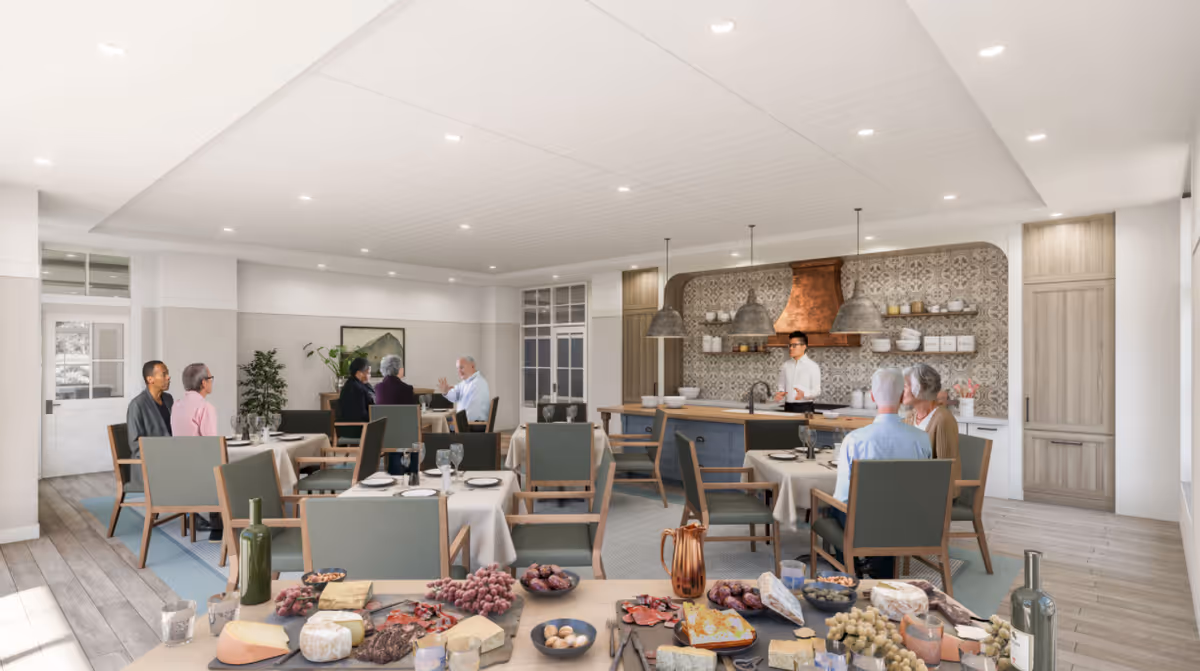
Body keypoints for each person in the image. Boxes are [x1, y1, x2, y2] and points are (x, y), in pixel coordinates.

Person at [829, 367, 932, 578]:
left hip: (865, 526)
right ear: (903, 396)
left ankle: (850, 568)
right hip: (908, 524)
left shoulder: (855, 440)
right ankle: (879, 567)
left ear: (873, 396)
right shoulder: (921, 439)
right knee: (892, 508)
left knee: (834, 508)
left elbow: (842, 496)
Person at [170, 363, 224, 541]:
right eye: (210, 378)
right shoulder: (206, 408)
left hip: (180, 470)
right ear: (203, 383)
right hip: (202, 474)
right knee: (228, 467)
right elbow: (211, 446)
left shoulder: (176, 406)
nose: (211, 382)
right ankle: (219, 526)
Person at [903, 364, 961, 494]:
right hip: (916, 487)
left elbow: (945, 470)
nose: (902, 391)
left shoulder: (943, 419)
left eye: (906, 386)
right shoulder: (910, 417)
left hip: (937, 493)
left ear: (921, 388)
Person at [126, 361, 174, 492]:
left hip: (171, 457)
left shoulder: (169, 399)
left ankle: (202, 509)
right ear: (150, 379)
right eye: (164, 374)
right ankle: (189, 511)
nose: (168, 377)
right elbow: (135, 444)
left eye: (167, 374)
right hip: (149, 464)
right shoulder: (137, 405)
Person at [774, 331, 821, 411]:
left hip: (805, 407)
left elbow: (817, 391)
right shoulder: (785, 365)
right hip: (788, 406)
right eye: (790, 345)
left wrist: (804, 394)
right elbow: (781, 384)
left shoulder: (813, 366)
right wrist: (781, 392)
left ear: (804, 347)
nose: (791, 348)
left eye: (794, 345)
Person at [436, 355, 491, 423]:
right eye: (457, 368)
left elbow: (473, 412)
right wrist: (446, 392)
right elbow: (455, 395)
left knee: (441, 424)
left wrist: (457, 422)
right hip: (466, 424)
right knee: (443, 422)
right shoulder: (465, 382)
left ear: (472, 366)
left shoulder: (478, 383)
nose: (459, 371)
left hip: (473, 426)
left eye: (461, 367)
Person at [337, 357, 375, 436]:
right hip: (356, 428)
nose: (370, 376)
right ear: (359, 373)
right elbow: (360, 414)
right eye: (368, 373)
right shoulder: (354, 389)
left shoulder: (362, 385)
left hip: (362, 425)